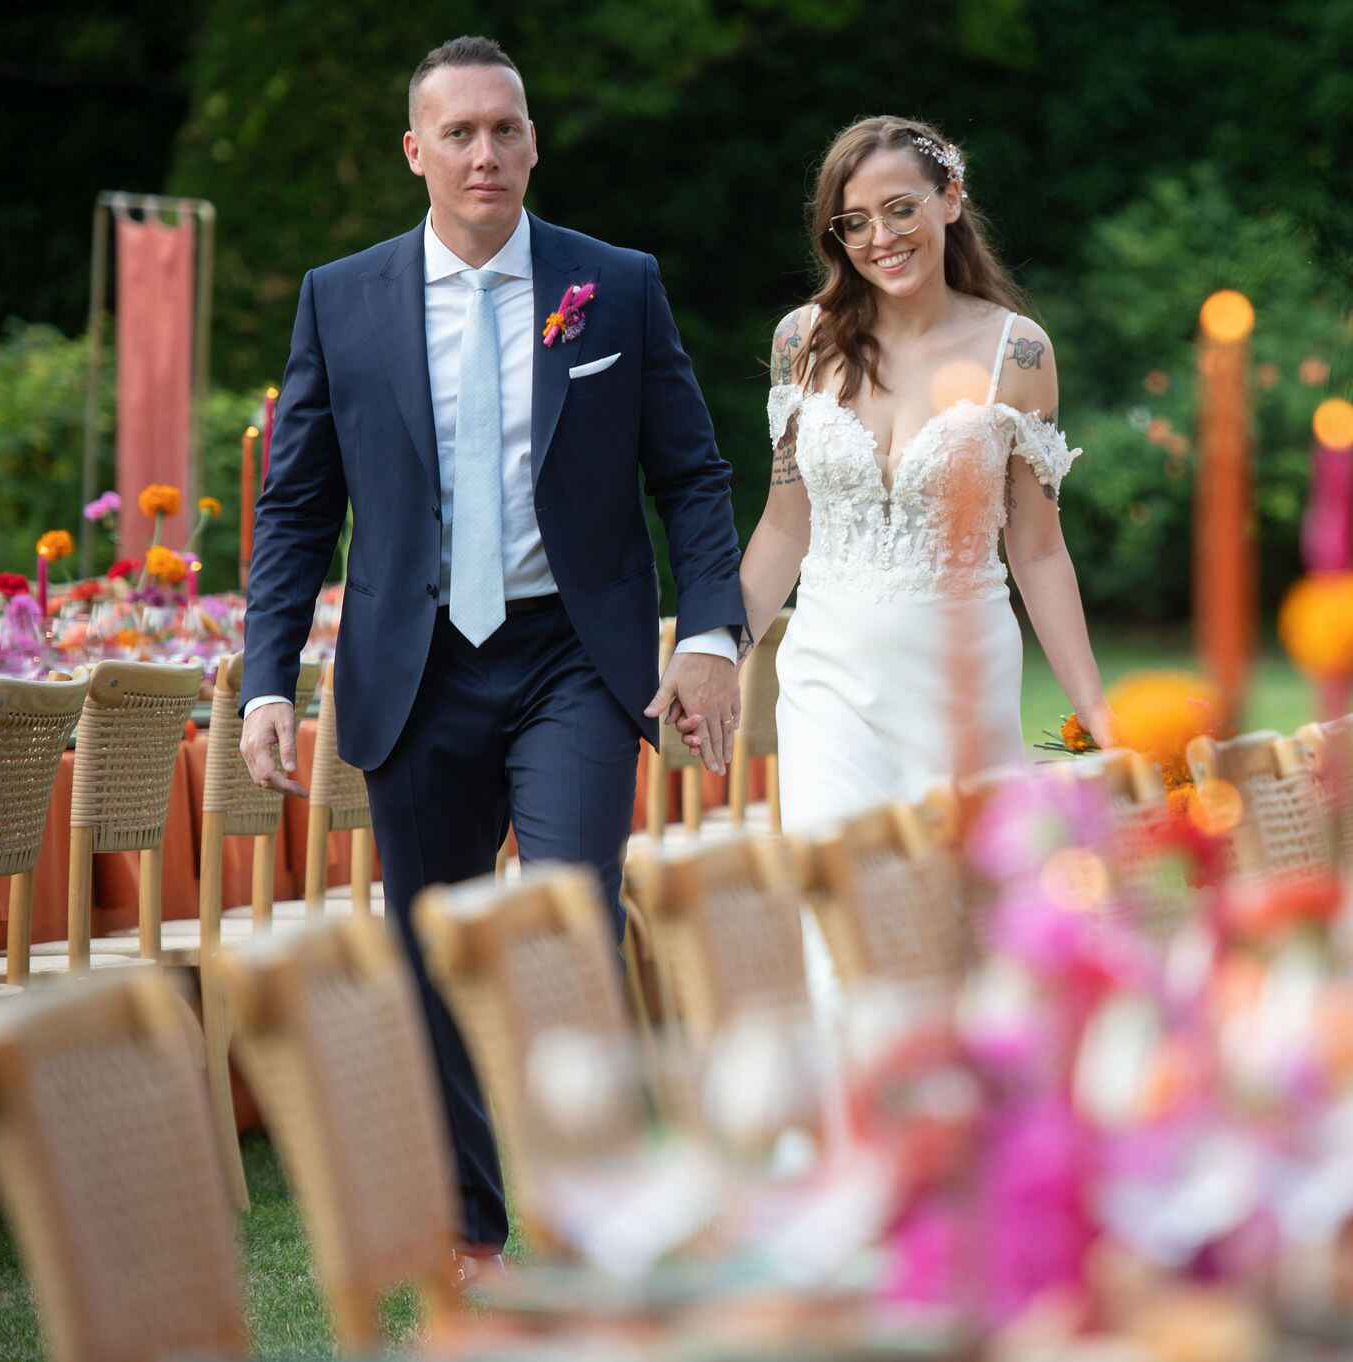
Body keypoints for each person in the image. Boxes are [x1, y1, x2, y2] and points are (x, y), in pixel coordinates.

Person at [239, 35, 745, 1269]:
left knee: (567, 931)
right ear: (414, 151)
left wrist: (712, 635)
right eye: (458, 133)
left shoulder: (613, 284)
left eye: (504, 129)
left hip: (572, 656)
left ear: (532, 143)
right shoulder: (341, 298)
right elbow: (295, 507)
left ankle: (595, 1222)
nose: (484, 153)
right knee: (429, 951)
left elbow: (690, 475)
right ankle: (474, 1236)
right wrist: (266, 678)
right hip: (413, 666)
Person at [741, 116, 1111, 835]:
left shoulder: (1017, 353)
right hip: (827, 686)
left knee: (960, 896)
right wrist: (719, 656)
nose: (881, 237)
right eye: (855, 222)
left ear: (950, 198)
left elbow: (1038, 551)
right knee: (838, 892)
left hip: (961, 681)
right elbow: (784, 528)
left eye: (900, 209)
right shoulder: (801, 341)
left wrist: (1096, 708)